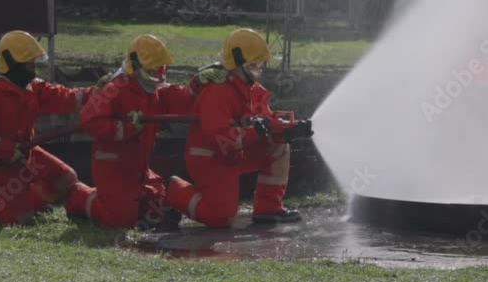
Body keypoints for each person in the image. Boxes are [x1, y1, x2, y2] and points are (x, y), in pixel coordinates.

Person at [167, 28, 313, 227]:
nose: (259, 69)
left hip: (236, 154)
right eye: (254, 64)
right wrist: (256, 131)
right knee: (221, 217)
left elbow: (266, 120)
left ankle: (269, 209)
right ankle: (173, 191)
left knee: (279, 146)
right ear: (237, 62)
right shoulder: (217, 92)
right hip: (211, 159)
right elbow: (220, 141)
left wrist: (288, 129)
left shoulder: (254, 90)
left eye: (260, 64)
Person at [64, 35, 208, 228]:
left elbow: (178, 100)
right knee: (120, 219)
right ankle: (78, 198)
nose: (157, 73)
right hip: (113, 167)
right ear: (136, 65)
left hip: (139, 169)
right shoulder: (115, 88)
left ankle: (131, 202)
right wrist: (126, 128)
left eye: (160, 68)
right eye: (152, 69)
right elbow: (89, 119)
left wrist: (196, 86)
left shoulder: (153, 90)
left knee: (156, 209)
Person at [0, 31, 93, 224]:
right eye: (30, 64)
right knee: (17, 218)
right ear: (13, 63)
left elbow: (65, 97)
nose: (34, 69)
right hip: (3, 162)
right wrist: (6, 149)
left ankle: (33, 204)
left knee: (65, 178)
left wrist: (95, 93)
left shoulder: (31, 88)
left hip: (28, 153)